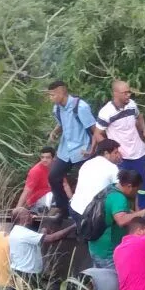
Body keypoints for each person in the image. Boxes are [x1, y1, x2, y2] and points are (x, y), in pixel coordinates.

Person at [46, 80, 103, 216]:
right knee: (54, 177)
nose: (50, 98)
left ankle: (91, 210)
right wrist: (55, 132)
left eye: (52, 95)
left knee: (88, 180)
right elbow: (62, 124)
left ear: (61, 92)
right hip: (65, 150)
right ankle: (64, 209)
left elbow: (94, 129)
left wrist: (92, 149)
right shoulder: (57, 109)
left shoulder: (80, 107)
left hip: (82, 150)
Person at [88, 169, 145, 271]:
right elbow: (121, 220)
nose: (136, 194)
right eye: (136, 190)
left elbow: (115, 212)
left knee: (100, 282)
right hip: (108, 252)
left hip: (95, 247)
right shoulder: (119, 198)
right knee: (115, 283)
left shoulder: (110, 189)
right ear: (129, 186)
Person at [97, 80, 145, 209]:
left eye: (129, 92)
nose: (128, 95)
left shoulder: (132, 105)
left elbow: (139, 117)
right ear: (115, 93)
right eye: (125, 93)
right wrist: (111, 152)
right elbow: (98, 134)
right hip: (121, 157)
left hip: (139, 152)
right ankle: (124, 213)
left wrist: (144, 130)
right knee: (123, 187)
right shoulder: (106, 112)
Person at [8, 206, 77, 283]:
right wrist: (73, 226)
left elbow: (36, 239)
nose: (32, 216)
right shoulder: (23, 232)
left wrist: (43, 230)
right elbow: (51, 238)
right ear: (22, 217)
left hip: (22, 271)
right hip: (26, 273)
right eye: (29, 214)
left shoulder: (16, 230)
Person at [68, 138, 123, 218]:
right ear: (106, 153)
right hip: (93, 213)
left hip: (75, 208)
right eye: (115, 152)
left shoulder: (87, 163)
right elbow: (121, 190)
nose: (118, 155)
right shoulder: (112, 168)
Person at [18, 146, 71, 212]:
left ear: (54, 158)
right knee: (55, 195)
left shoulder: (57, 168)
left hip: (50, 197)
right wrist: (18, 208)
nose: (44, 160)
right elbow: (27, 190)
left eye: (47, 157)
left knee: (61, 195)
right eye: (42, 157)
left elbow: (65, 185)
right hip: (36, 201)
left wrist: (72, 200)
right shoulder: (35, 171)